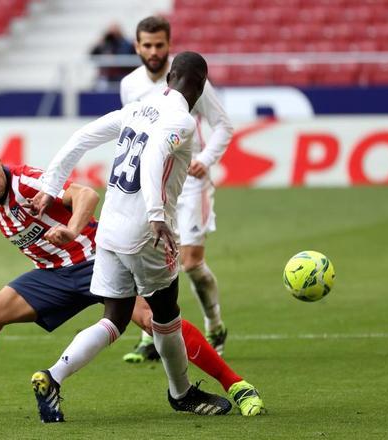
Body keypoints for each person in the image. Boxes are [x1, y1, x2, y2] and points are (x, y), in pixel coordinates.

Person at [0, 137, 260, 417]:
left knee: (155, 320)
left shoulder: (28, 182)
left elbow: (85, 193)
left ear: (1, 163)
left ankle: (237, 386)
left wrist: (72, 228)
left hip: (98, 259)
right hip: (54, 273)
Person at [27, 52, 263, 423]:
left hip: (109, 229)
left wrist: (52, 184)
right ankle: (181, 393)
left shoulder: (139, 107)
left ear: (169, 76)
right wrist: (156, 215)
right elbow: (154, 153)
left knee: (115, 317)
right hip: (144, 234)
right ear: (200, 87)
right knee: (165, 316)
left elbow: (82, 136)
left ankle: (52, 377)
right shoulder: (182, 120)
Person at [120, 16, 234, 363]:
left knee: (190, 263)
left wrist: (207, 158)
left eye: (159, 45)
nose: (153, 52)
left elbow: (222, 125)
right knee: (144, 253)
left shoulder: (188, 79)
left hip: (190, 181)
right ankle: (148, 335)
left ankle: (215, 325)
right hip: (154, 183)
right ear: (137, 47)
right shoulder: (130, 84)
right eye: (147, 45)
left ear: (169, 45)